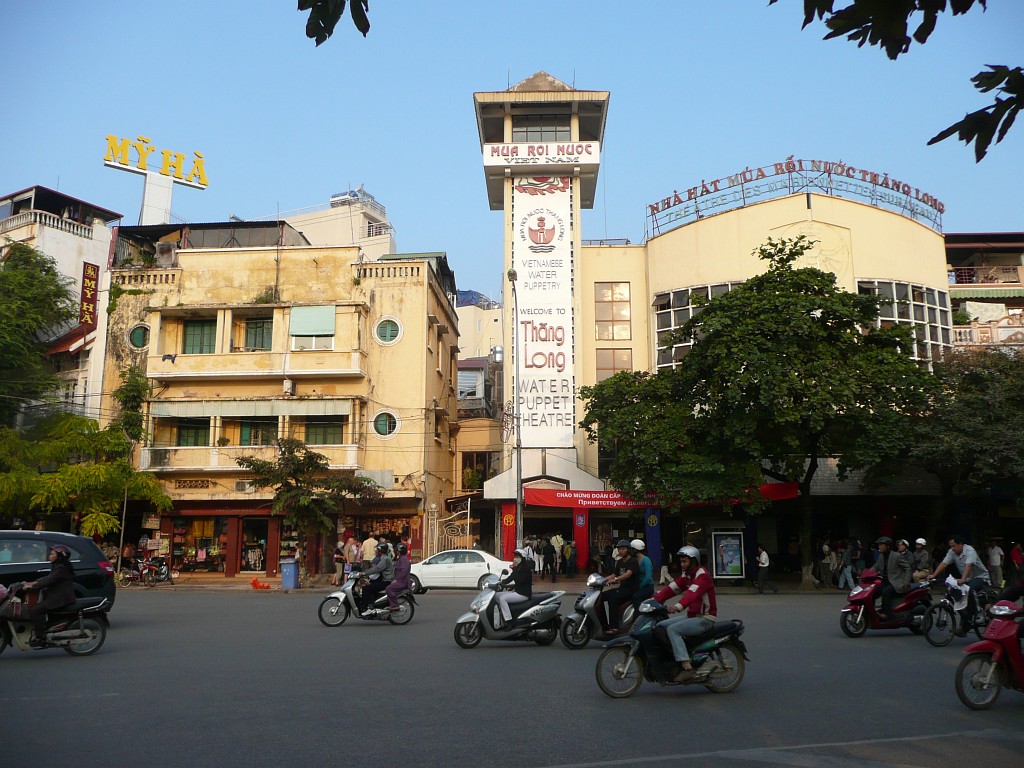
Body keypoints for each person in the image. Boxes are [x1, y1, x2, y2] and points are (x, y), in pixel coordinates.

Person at [653, 545, 717, 681]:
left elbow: (691, 594)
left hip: (705, 619)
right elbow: (671, 589)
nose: (682, 564)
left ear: (693, 561)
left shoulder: (702, 575)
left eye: (684, 561)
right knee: (660, 626)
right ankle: (674, 659)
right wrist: (652, 600)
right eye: (681, 561)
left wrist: (677, 606)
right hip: (692, 617)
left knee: (673, 630)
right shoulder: (687, 575)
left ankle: (687, 667)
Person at [927, 536, 991, 621]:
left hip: (980, 577)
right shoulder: (951, 552)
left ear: (961, 544)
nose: (952, 548)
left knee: (969, 589)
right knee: (957, 594)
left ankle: (977, 613)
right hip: (968, 578)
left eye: (954, 546)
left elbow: (969, 566)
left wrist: (962, 579)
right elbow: (944, 564)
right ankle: (965, 621)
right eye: (951, 546)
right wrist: (933, 575)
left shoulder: (970, 551)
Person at [25, 545, 76, 647]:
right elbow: (48, 578)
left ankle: (40, 636)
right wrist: (33, 583)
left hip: (59, 598)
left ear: (59, 556)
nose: (50, 555)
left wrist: (33, 586)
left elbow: (49, 580)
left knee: (35, 610)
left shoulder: (61, 567)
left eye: (52, 554)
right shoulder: (59, 565)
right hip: (56, 595)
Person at [603, 540, 638, 636]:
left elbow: (628, 574)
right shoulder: (619, 562)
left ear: (628, 550)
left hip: (630, 590)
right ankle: (603, 624)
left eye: (623, 549)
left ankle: (614, 627)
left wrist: (615, 579)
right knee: (600, 596)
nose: (621, 551)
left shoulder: (633, 561)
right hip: (621, 588)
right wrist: (602, 579)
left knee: (612, 599)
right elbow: (614, 574)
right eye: (619, 549)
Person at [874, 537, 912, 618]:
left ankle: (887, 614)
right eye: (879, 545)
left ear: (888, 546)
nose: (879, 547)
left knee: (886, 592)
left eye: (882, 545)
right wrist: (865, 573)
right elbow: (875, 567)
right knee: (873, 591)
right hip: (885, 581)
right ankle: (871, 611)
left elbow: (908, 568)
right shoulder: (881, 556)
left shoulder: (896, 556)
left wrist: (906, 582)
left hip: (896, 582)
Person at [496, 548, 533, 628]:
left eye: (517, 557)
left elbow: (520, 580)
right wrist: (501, 583)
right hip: (517, 592)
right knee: (496, 595)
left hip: (523, 594)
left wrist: (514, 569)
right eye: (515, 556)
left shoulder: (526, 569)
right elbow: (510, 578)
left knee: (503, 599)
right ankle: (502, 615)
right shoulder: (518, 568)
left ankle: (509, 621)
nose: (515, 558)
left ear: (522, 558)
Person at [358, 542, 394, 612]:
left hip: (386, 581)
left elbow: (377, 569)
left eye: (377, 549)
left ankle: (366, 608)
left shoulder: (385, 559)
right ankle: (372, 603)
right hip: (384, 580)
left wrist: (364, 573)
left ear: (380, 551)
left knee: (366, 589)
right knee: (369, 585)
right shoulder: (383, 558)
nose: (376, 551)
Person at [385, 543, 411, 611]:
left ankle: (394, 605)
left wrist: (396, 580)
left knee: (388, 589)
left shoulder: (404, 559)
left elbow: (404, 571)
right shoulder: (401, 558)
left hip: (402, 581)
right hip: (400, 580)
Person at [630, 539, 654, 610]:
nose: (630, 551)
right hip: (639, 585)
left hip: (647, 586)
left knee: (636, 597)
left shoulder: (646, 560)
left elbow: (648, 577)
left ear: (635, 550)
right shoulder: (635, 560)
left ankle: (643, 612)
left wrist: (640, 586)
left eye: (632, 549)